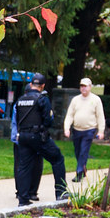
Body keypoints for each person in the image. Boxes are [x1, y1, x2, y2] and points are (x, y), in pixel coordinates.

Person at [10, 73, 67, 205]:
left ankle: (23, 200)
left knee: (23, 166)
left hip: (22, 137)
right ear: (42, 86)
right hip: (38, 136)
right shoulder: (42, 99)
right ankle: (61, 193)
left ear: (31, 84)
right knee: (57, 159)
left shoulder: (20, 100)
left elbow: (17, 119)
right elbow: (48, 120)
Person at [63, 77, 105, 182]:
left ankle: (79, 173)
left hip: (89, 129)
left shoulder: (96, 100)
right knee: (78, 151)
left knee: (83, 151)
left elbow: (100, 116)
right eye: (82, 86)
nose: (83, 88)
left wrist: (101, 131)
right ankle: (83, 168)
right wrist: (67, 128)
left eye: (85, 86)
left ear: (90, 87)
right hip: (77, 129)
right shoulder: (75, 100)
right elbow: (69, 115)